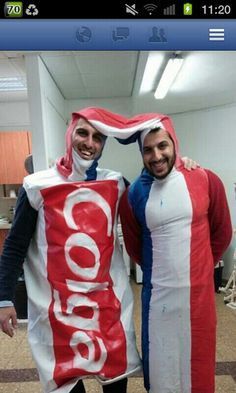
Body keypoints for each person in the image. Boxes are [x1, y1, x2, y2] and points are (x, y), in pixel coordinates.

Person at [0, 107, 197, 393]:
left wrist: (180, 168)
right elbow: (15, 246)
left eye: (98, 137)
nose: (89, 142)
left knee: (116, 383)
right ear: (70, 135)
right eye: (83, 133)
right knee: (68, 384)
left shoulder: (114, 182)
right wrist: (4, 298)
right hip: (59, 311)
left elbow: (152, 193)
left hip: (106, 310)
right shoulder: (37, 185)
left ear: (104, 144)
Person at [119, 113, 233, 393]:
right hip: (158, 301)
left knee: (198, 368)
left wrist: (201, 268)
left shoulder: (206, 179)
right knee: (161, 368)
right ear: (141, 153)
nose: (157, 155)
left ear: (174, 144)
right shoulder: (133, 194)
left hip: (199, 299)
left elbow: (222, 231)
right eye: (148, 149)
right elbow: (135, 248)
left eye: (162, 146)